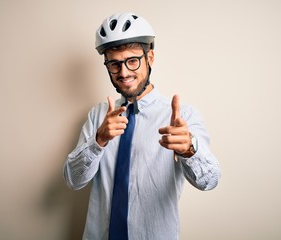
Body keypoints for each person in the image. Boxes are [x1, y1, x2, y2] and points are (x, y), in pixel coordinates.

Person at [63, 12, 221, 240]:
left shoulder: (181, 117)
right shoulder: (98, 116)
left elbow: (210, 181)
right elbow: (73, 181)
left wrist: (189, 149)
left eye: (132, 61)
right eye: (114, 64)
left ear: (151, 58)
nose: (124, 72)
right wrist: (98, 141)